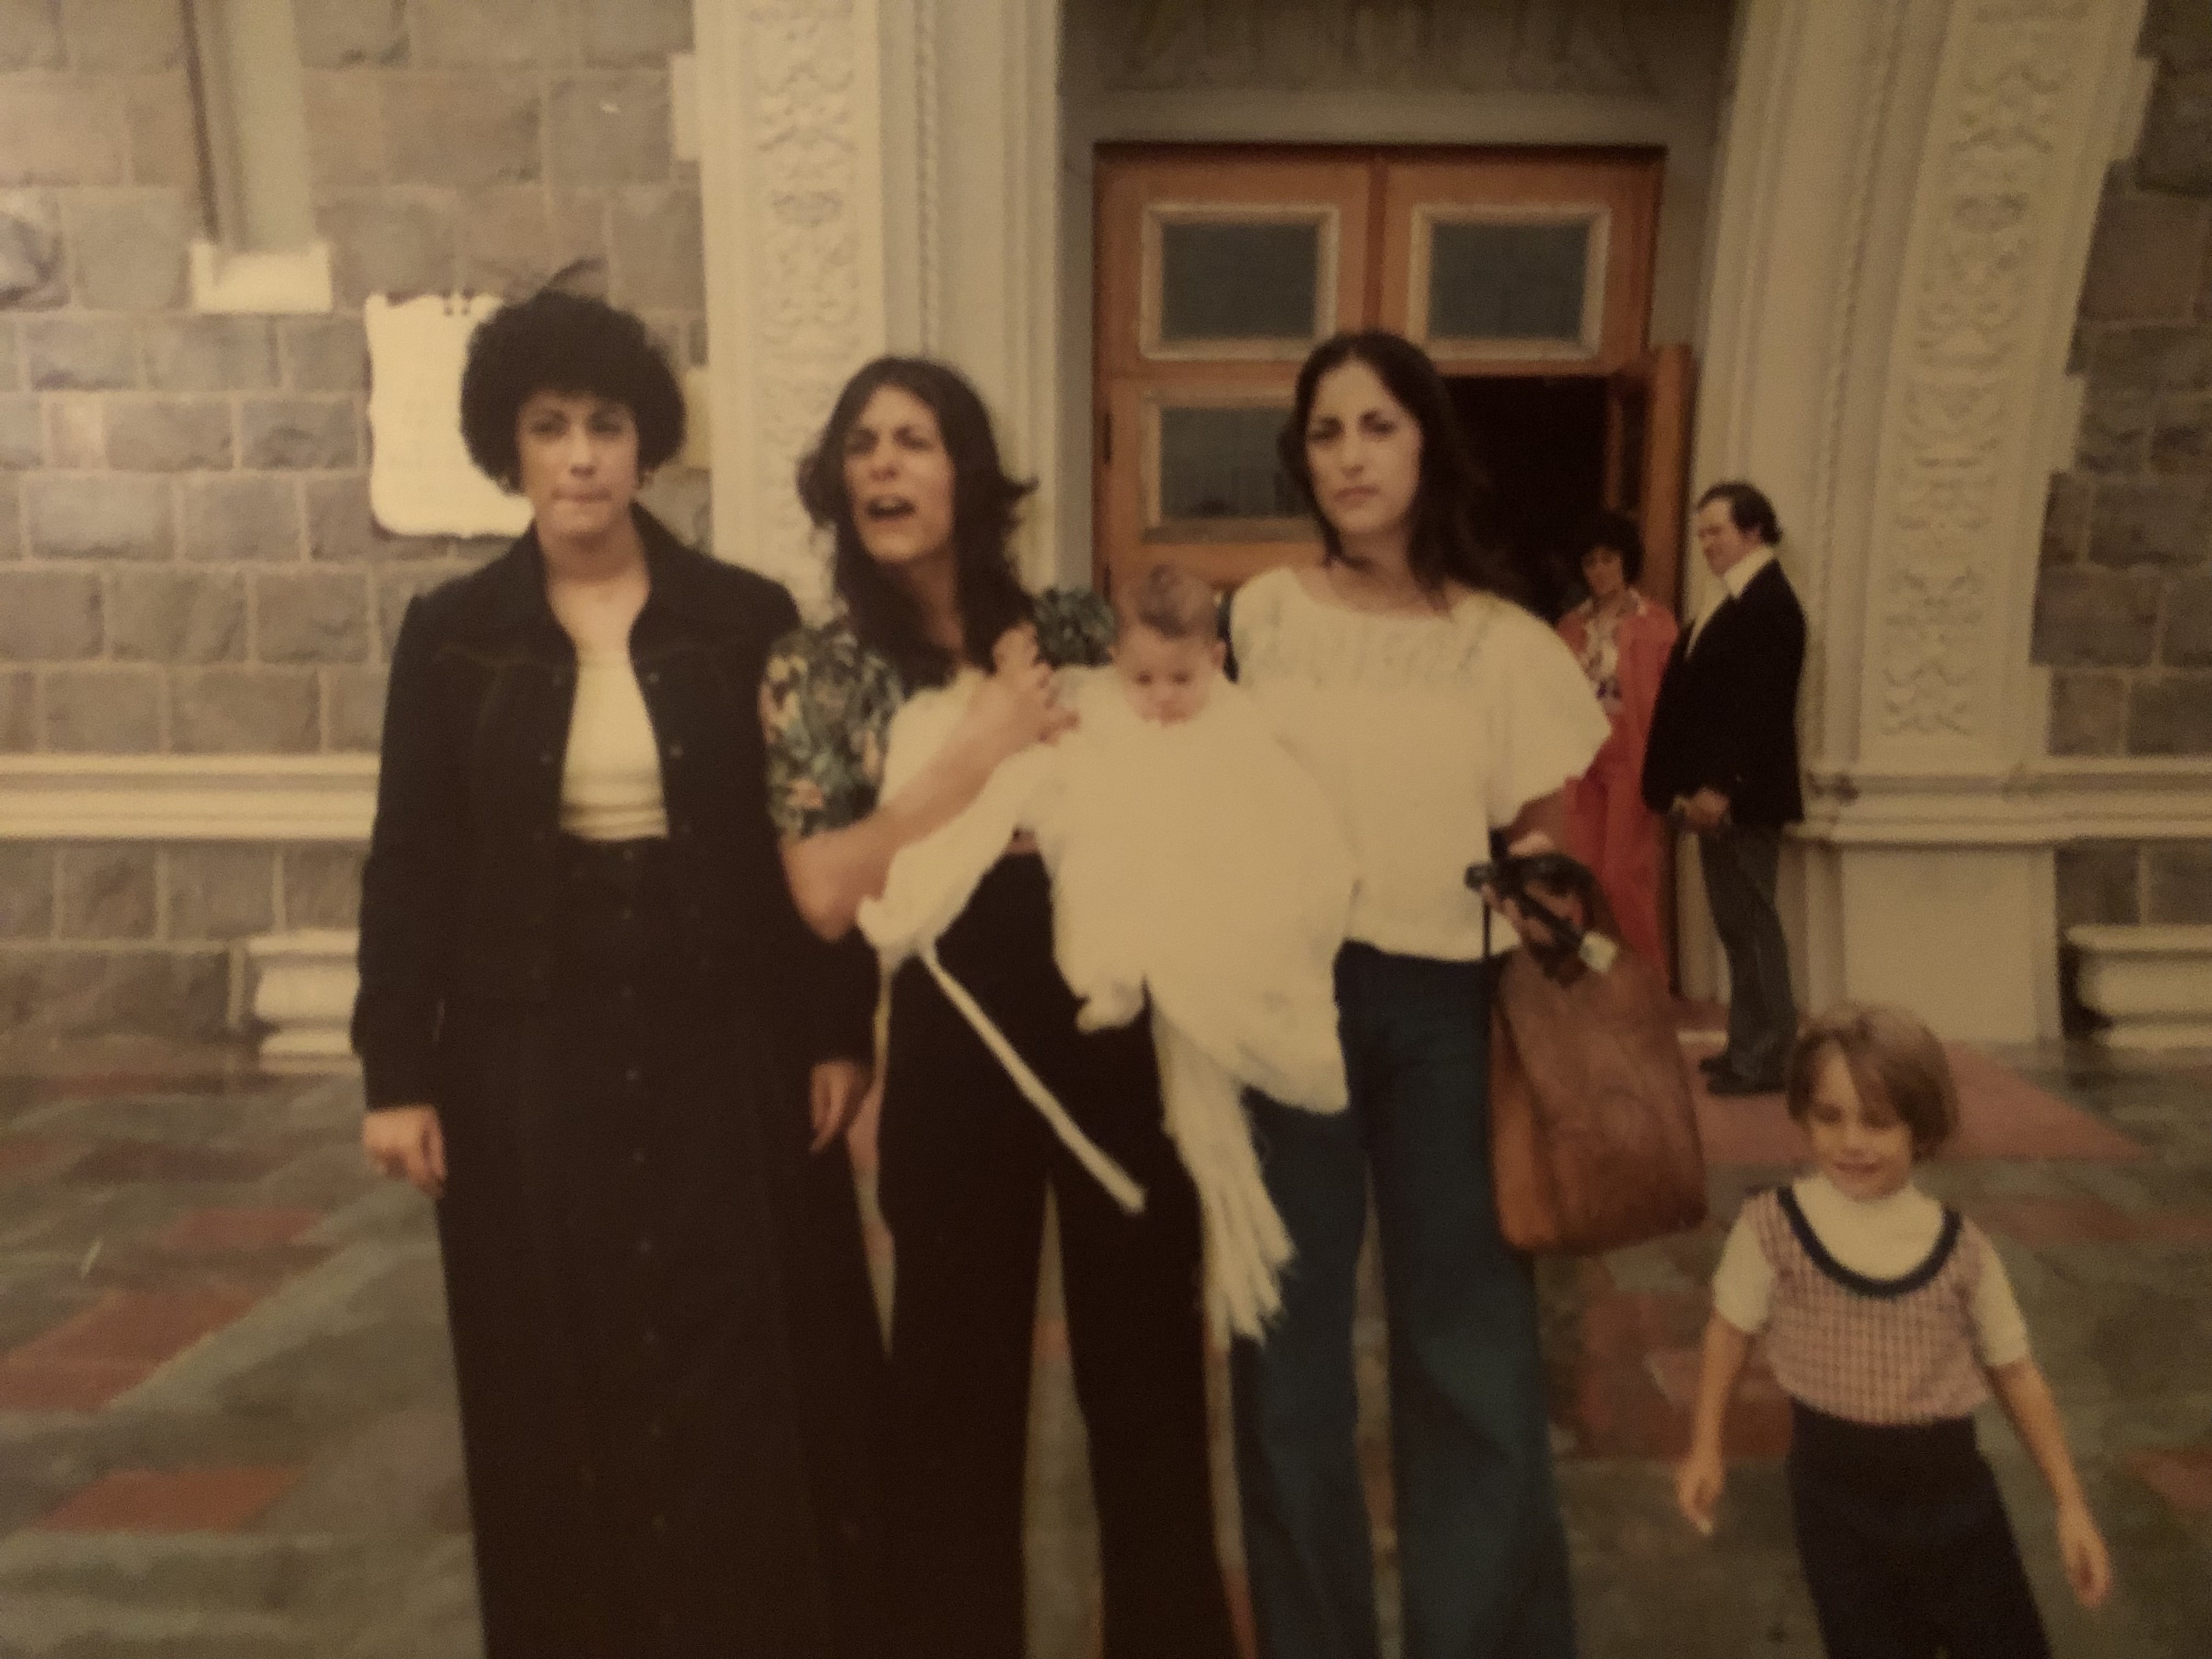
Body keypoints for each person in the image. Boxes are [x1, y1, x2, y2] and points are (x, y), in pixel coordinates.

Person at [352, 289, 888, 1659]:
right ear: (509, 448)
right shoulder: (452, 633)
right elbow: (409, 858)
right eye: (550, 429)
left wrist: (837, 1036)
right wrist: (396, 1074)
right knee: (553, 1360)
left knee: (737, 1350)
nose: (581, 456)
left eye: (606, 427)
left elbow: (807, 837)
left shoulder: (743, 615)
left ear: (646, 449)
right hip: (527, 1042)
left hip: (723, 1025)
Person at [760, 357, 1239, 1659]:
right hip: (956, 1033)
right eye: (861, 445)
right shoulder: (823, 670)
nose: (883, 468)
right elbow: (820, 891)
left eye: (913, 441)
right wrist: (976, 758)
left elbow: (1187, 767)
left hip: (1105, 1019)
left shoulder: (1071, 629)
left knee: (1145, 1379)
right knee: (954, 1391)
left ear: (968, 473)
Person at [1224, 330, 1609, 1659]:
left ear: (1427, 443)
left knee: (1471, 1350)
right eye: (1326, 432)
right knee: (1286, 1358)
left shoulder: (1502, 644)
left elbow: (1550, 840)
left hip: (1448, 1010)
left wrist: (1551, 903)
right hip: (1284, 1012)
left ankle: (1484, 1639)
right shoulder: (1259, 617)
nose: (1350, 456)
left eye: (1377, 426)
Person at [857, 558, 1357, 1341]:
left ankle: (1140, 976)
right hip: (1103, 903)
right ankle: (1109, 968)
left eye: (1181, 681)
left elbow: (1285, 831)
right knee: (1093, 865)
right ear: (1115, 664)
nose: (1161, 702)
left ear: (1218, 663)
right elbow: (1056, 752)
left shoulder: (1239, 725)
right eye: (1144, 680)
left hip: (1193, 924)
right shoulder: (1102, 701)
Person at [1674, 1003, 2112, 1658]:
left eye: (1878, 1123)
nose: (1853, 1142)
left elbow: (2016, 1372)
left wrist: (2070, 1503)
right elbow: (1729, 1333)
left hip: (1954, 1501)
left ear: (1922, 1129)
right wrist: (1706, 1445)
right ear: (1801, 1114)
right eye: (1831, 1117)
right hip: (1835, 1504)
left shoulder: (1963, 1250)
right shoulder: (1771, 1229)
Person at [1640, 480, 1806, 1094]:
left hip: (1741, 798)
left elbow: (1759, 711)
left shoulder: (1770, 603)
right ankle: (1748, 1046)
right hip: (1719, 797)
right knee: (1738, 927)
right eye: (1702, 531)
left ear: (1754, 531)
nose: (1705, 542)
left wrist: (1720, 787)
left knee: (1754, 925)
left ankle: (1769, 1059)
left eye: (1717, 530)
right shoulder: (1733, 597)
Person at [1555, 510, 1679, 971]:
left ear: (1626, 561)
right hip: (1580, 760)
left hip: (1631, 756)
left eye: (1608, 559)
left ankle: (1646, 986)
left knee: (1623, 876)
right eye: (1590, 563)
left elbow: (1670, 702)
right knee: (1581, 874)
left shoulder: (1657, 624)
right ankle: (1595, 982)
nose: (1600, 571)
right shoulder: (1570, 626)